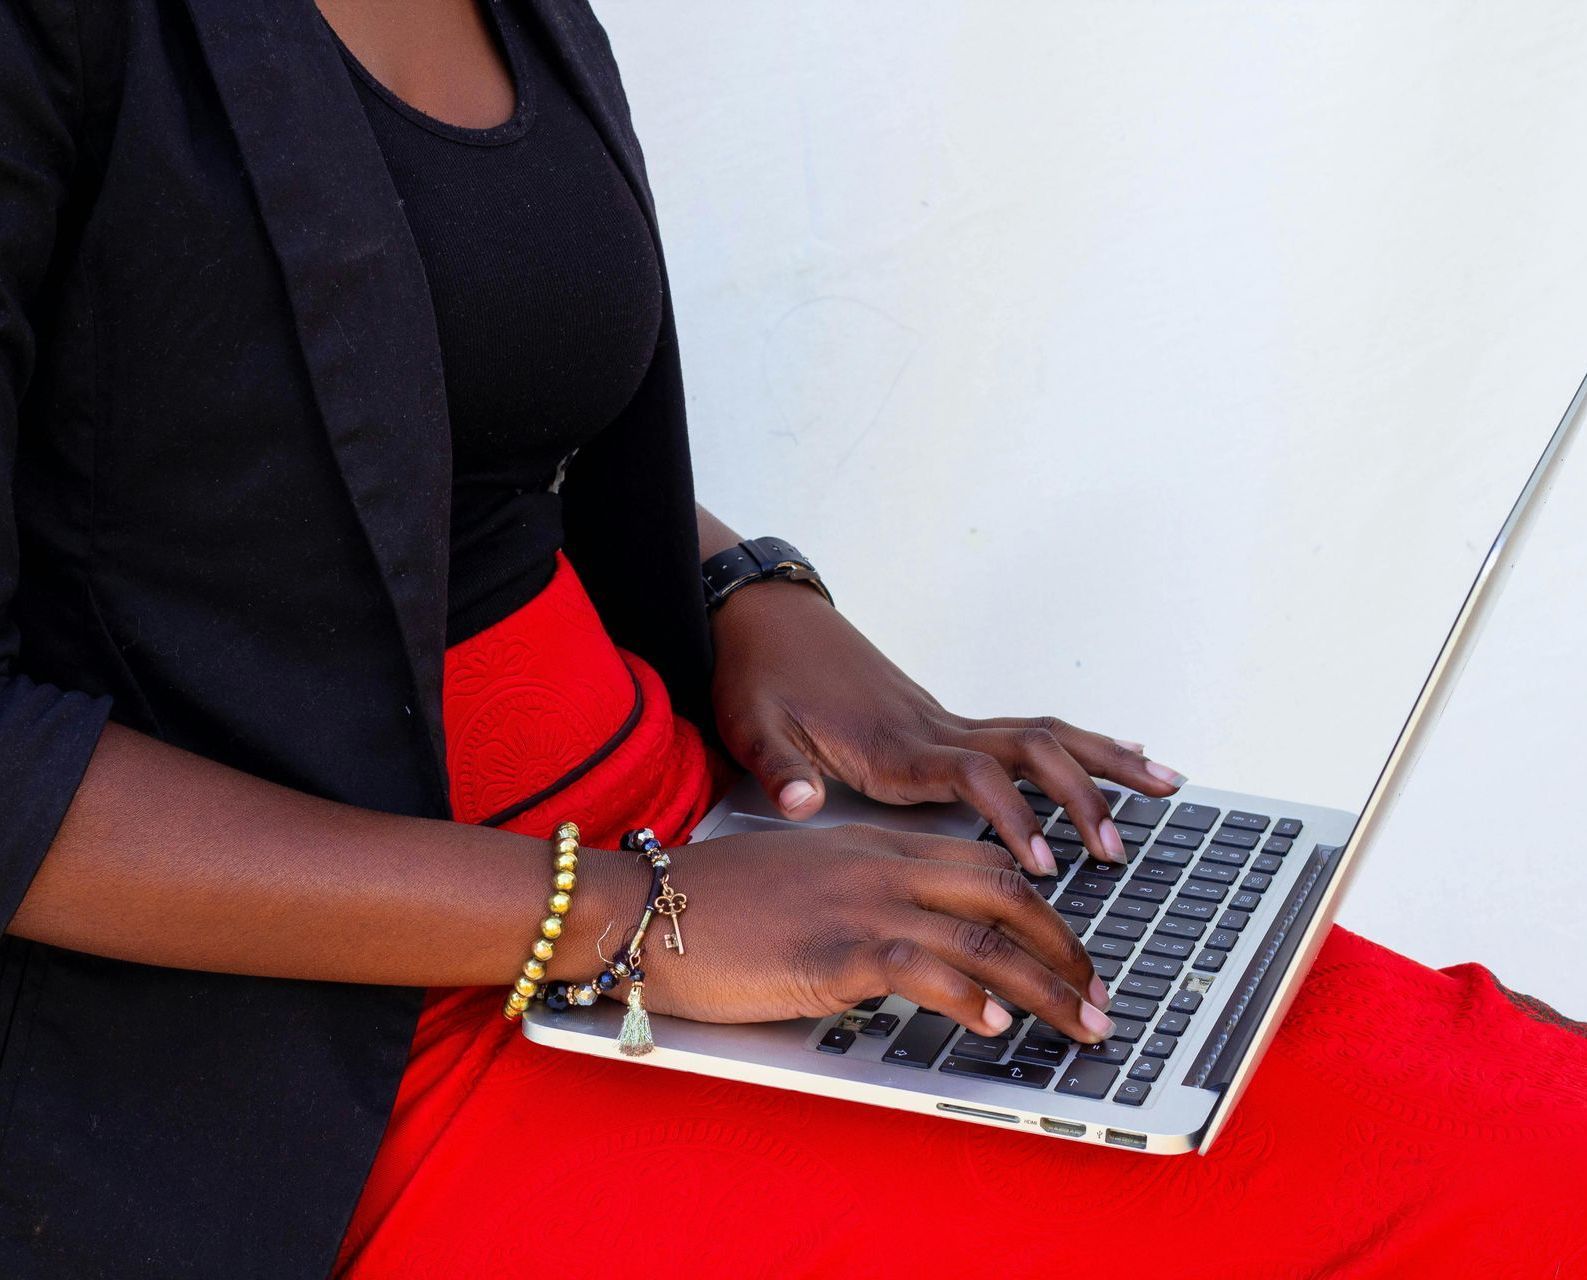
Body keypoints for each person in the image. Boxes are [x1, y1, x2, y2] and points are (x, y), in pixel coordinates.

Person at [0, 0, 1583, 1275]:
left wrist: (749, 593)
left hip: (692, 844)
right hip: (311, 1050)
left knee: (1507, 1112)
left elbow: (417, 438)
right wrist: (627, 918)